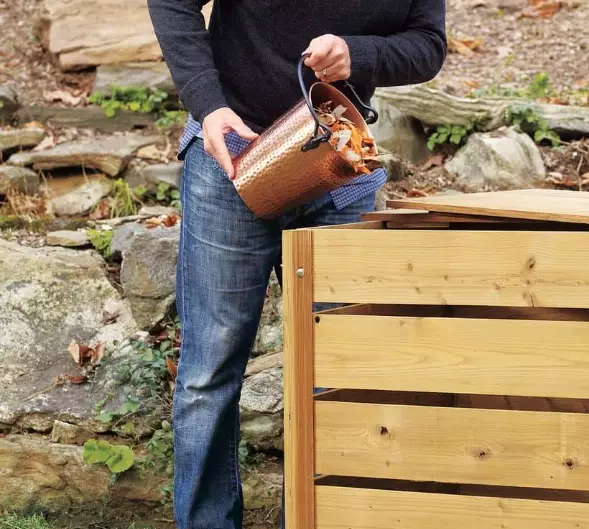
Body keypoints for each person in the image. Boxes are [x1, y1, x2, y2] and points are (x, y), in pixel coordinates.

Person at [145, 0, 447, 528]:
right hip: (233, 156)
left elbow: (428, 44)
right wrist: (208, 105)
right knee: (207, 375)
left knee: (338, 378)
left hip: (340, 168)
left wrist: (359, 54)